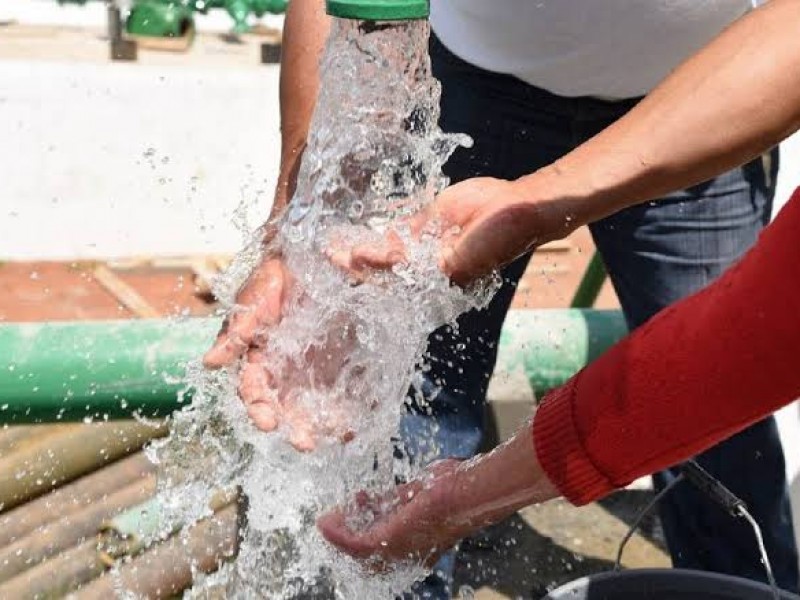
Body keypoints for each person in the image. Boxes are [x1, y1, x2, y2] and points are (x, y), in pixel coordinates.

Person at [203, 0, 799, 595]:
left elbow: (737, 355)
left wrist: (466, 501)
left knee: (727, 423)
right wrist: (303, 227)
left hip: (719, 90)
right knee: (415, 390)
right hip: (474, 84)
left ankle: (740, 584)